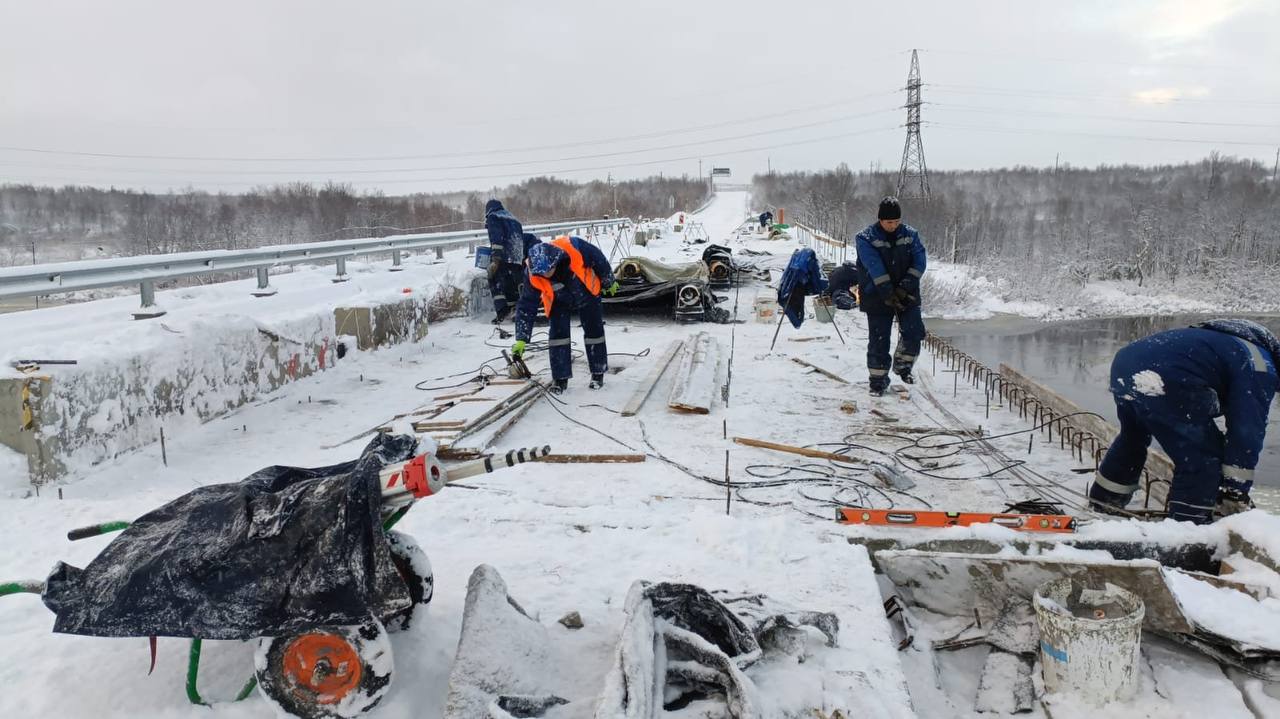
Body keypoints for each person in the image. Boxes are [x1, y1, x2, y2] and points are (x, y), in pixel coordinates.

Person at [1090, 319, 1279, 524]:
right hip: (1163, 377)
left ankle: (1104, 504)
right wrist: (1235, 489)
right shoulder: (1261, 366)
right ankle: (1187, 528)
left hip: (1125, 366)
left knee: (1132, 437)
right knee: (1203, 457)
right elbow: (1247, 430)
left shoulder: (1232, 342)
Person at [510, 235, 620, 393]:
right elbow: (527, 305)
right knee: (557, 337)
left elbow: (598, 258)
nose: (546, 275)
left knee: (594, 333)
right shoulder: (532, 272)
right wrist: (521, 338)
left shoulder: (573, 247)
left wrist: (608, 280)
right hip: (558, 301)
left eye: (549, 271)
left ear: (555, 261)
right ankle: (560, 379)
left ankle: (598, 373)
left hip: (587, 292)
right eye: (542, 273)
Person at [855, 196, 927, 396]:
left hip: (907, 292)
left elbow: (919, 262)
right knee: (879, 339)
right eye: (889, 222)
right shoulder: (866, 237)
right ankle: (878, 381)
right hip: (876, 293)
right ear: (880, 220)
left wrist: (904, 287)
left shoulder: (911, 235)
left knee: (914, 332)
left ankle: (903, 367)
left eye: (896, 222)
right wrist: (887, 291)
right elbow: (873, 266)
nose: (893, 226)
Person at [484, 199, 524, 324]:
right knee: (511, 283)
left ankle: (502, 310)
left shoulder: (493, 216)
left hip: (504, 255)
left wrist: (495, 259)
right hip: (517, 257)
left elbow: (497, 238)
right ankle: (514, 309)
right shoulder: (514, 219)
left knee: (494, 279)